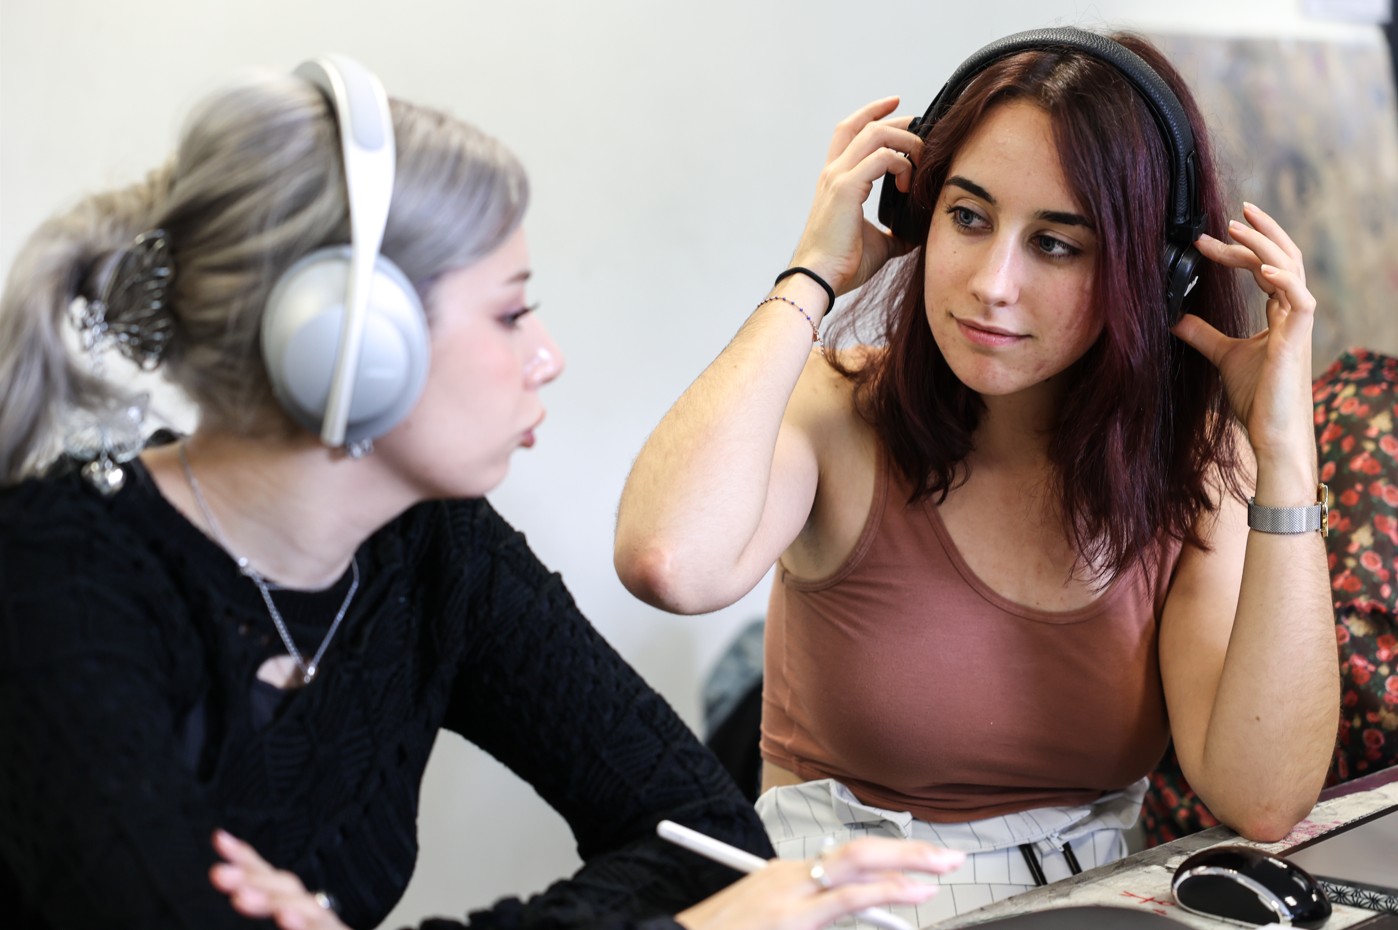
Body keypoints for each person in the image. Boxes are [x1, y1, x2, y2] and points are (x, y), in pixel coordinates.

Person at [0, 57, 967, 930]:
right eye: (510, 312)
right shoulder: (52, 585)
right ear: (351, 347)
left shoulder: (434, 545)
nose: (547, 356)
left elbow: (704, 837)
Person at [613, 27, 1341, 925]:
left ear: (1159, 275)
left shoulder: (1192, 461)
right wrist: (811, 276)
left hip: (1088, 905)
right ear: (918, 215)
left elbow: (1262, 797)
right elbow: (667, 563)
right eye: (967, 217)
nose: (993, 283)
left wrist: (1284, 451)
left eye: (1056, 244)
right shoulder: (837, 407)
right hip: (853, 902)